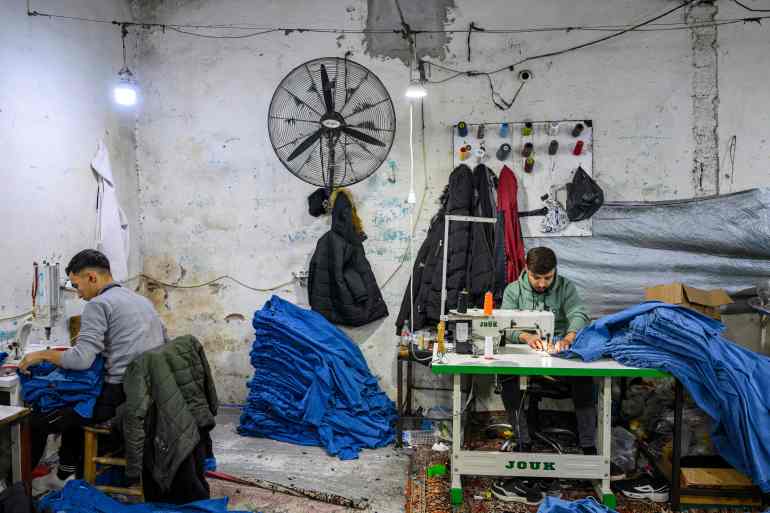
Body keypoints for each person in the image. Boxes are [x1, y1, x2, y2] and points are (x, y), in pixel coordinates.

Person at [19, 249, 166, 495]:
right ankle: (66, 471)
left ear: (92, 278)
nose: (78, 294)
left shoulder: (99, 304)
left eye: (77, 286)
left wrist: (41, 355)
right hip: (149, 391)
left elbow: (81, 361)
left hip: (120, 396)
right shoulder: (141, 300)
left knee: (37, 418)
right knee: (74, 403)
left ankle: (24, 485)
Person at [491, 247, 594, 504]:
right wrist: (524, 335)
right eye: (537, 278)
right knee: (507, 376)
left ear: (554, 272)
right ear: (526, 269)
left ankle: (589, 446)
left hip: (558, 349)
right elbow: (504, 324)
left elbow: (579, 314)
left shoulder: (565, 287)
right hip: (523, 351)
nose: (542, 283)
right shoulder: (514, 290)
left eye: (548, 278)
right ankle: (523, 441)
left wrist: (570, 337)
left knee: (585, 378)